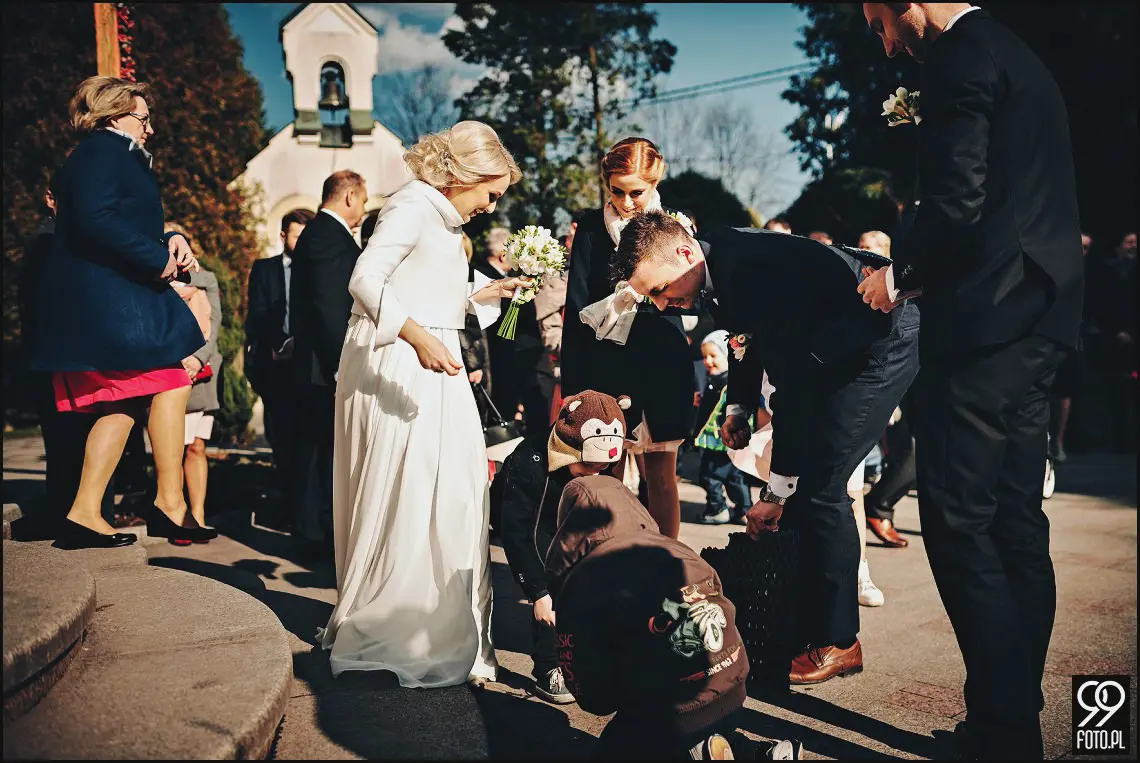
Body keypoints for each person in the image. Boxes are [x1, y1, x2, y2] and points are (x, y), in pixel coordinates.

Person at [859, 5, 1085, 757]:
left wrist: (898, 275)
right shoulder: (1018, 54)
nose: (884, 43)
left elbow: (957, 198)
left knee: (958, 522)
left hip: (985, 320)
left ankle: (1002, 730)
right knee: (1016, 520)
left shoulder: (960, 56)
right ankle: (1010, 718)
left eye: (879, 21)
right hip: (1043, 312)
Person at [615, 211, 919, 685]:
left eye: (658, 289)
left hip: (879, 342)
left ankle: (840, 642)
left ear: (684, 252)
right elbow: (746, 340)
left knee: (823, 486)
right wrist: (737, 407)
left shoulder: (753, 271)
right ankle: (802, 626)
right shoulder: (713, 263)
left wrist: (775, 492)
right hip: (829, 348)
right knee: (807, 491)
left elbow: (793, 388)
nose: (660, 304)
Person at [317, 121, 529, 689]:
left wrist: (485, 294)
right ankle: (398, 625)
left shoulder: (441, 220)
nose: (490, 207)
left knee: (452, 488)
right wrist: (415, 338)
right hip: (401, 364)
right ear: (464, 175)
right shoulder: (410, 206)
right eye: (490, 194)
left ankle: (440, 624)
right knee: (412, 489)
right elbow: (365, 280)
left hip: (435, 363)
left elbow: (429, 290)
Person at [31, 75, 213, 548]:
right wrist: (158, 259)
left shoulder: (106, 154)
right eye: (143, 118)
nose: (150, 128)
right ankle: (167, 502)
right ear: (115, 116)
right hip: (109, 305)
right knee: (171, 379)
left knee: (126, 401)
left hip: (110, 303)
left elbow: (120, 219)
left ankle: (85, 511)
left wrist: (171, 238)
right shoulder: (103, 151)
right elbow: (94, 219)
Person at [545, 474, 758, 761]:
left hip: (673, 711)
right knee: (693, 725)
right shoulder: (677, 550)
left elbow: (592, 696)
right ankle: (754, 752)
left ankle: (697, 751)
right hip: (734, 688)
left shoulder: (581, 585)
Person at [561, 137, 694, 540]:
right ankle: (611, 563)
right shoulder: (590, 228)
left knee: (662, 476)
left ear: (655, 182)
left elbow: (690, 300)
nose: (626, 201)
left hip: (662, 363)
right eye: (616, 191)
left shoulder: (675, 228)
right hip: (606, 366)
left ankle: (669, 564)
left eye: (636, 192)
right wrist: (573, 387)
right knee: (607, 474)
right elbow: (576, 308)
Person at [496, 390, 631, 704]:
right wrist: (538, 592)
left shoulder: (600, 462)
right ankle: (549, 666)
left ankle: (591, 653)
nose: (594, 474)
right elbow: (518, 534)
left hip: (577, 521)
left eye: (602, 468)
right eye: (587, 468)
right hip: (537, 523)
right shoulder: (530, 463)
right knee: (554, 590)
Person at [288, 171, 368, 560]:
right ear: (349, 196)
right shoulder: (326, 237)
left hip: (317, 366)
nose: (363, 209)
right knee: (319, 455)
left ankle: (316, 531)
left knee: (319, 454)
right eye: (363, 200)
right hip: (323, 368)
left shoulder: (321, 234)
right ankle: (313, 536)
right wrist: (342, 364)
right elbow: (329, 307)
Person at [245, 208, 314, 529]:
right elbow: (258, 314)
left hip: (308, 367)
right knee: (281, 438)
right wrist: (278, 345)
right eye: (296, 236)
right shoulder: (264, 270)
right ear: (283, 236)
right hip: (274, 366)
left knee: (306, 441)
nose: (301, 243)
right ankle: (286, 502)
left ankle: (302, 508)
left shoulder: (315, 269)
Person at [165, 223, 223, 540]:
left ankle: (198, 515)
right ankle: (176, 514)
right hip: (168, 371)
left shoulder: (205, 279)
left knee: (197, 447)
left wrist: (197, 359)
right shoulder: (152, 281)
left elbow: (214, 322)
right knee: (172, 447)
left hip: (201, 372)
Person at [476, 227, 549, 436]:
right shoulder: (483, 276)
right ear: (503, 255)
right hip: (499, 354)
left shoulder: (509, 276)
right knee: (504, 407)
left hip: (517, 352)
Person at [693, 331, 756, 526]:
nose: (708, 361)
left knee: (710, 475)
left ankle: (717, 508)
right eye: (704, 356)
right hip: (727, 440)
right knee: (735, 477)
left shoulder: (728, 384)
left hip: (719, 440)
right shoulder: (718, 380)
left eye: (713, 355)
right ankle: (744, 510)